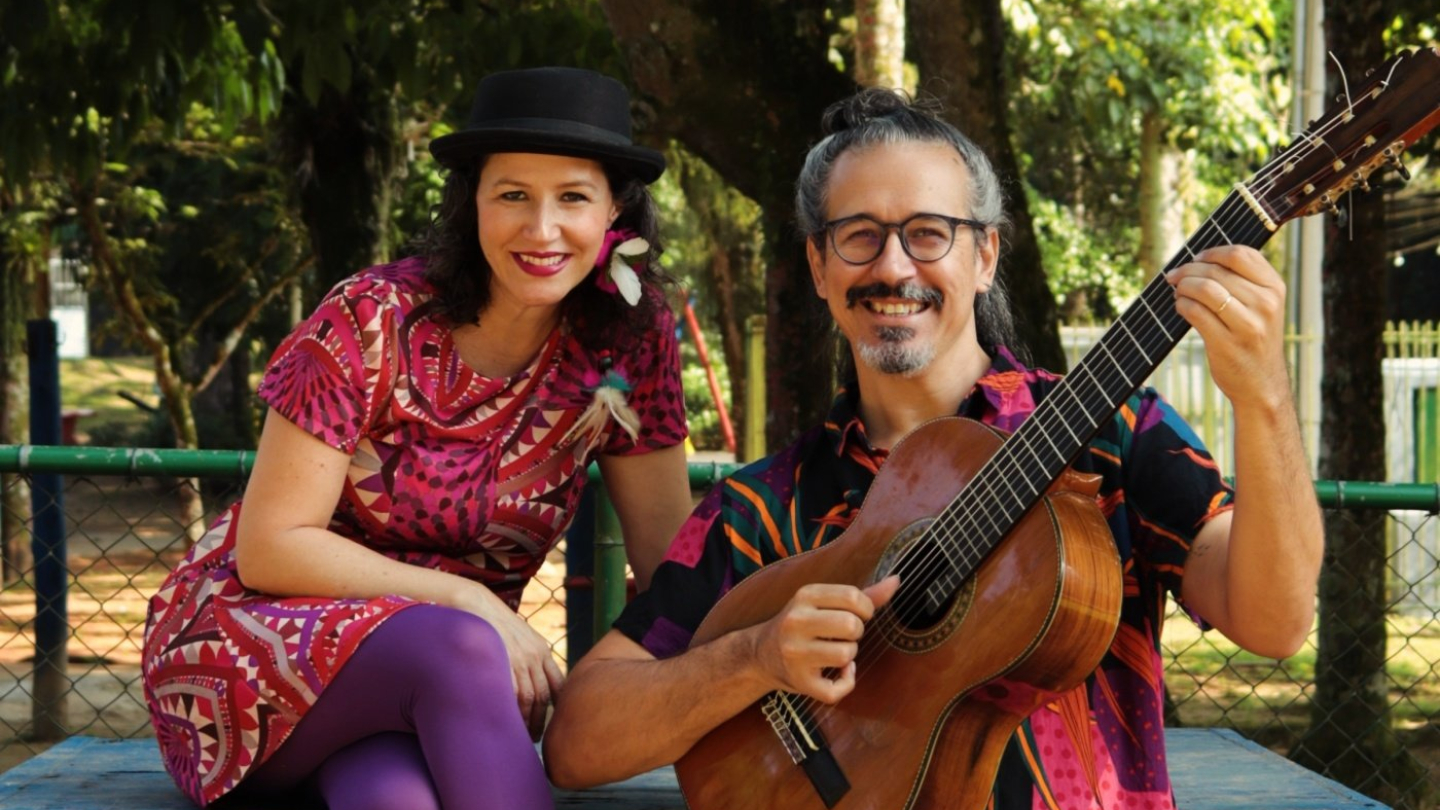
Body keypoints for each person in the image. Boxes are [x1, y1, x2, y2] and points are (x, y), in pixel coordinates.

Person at [544, 87, 1323, 809]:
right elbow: (577, 741)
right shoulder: (763, 508)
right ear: (818, 266)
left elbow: (1275, 624)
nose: (892, 267)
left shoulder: (1112, 434)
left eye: (928, 234)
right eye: (858, 237)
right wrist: (752, 658)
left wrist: (1263, 400)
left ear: (984, 257)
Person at [141, 67, 694, 810]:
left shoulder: (630, 337)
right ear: (471, 204)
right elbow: (271, 545)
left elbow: (671, 561)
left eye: (572, 197)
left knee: (392, 801)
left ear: (615, 214)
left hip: (423, 687)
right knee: (456, 649)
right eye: (512, 196)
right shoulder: (370, 318)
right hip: (251, 645)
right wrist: (475, 604)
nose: (541, 229)